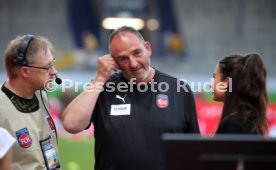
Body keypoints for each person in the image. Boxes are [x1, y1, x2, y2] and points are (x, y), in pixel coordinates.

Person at [62, 26, 200, 170]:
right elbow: (71, 124)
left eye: (137, 53)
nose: (133, 63)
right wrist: (99, 79)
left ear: (148, 48)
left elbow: (194, 150)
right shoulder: (103, 88)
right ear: (113, 62)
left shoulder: (179, 90)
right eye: (123, 58)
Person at [0, 35, 61, 169]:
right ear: (25, 71)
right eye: (47, 67)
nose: (54, 72)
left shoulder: (42, 94)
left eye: (53, 64)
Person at [212, 53, 268, 134]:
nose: (210, 84)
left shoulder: (231, 125)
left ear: (226, 83)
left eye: (214, 76)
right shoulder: (251, 122)